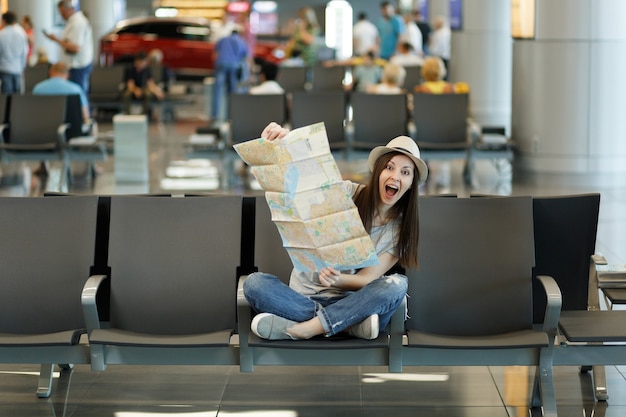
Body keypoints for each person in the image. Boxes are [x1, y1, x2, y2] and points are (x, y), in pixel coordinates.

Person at [243, 121, 428, 341]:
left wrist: (337, 280)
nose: (395, 176)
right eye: (389, 167)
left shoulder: (400, 231)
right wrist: (286, 142)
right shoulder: (348, 193)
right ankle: (348, 326)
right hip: (304, 297)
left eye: (405, 172)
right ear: (378, 171)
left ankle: (304, 327)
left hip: (351, 301)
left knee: (397, 285)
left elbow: (365, 281)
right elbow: (308, 179)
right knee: (254, 284)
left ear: (411, 184)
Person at [44, 1, 94, 93]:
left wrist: (56, 40)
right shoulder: (72, 22)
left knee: (78, 94)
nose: (62, 15)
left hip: (78, 66)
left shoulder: (77, 23)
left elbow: (75, 48)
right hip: (74, 65)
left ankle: (82, 108)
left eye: (63, 12)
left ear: (71, 10)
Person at [211, 26, 249, 122]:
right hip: (234, 66)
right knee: (232, 92)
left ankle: (215, 115)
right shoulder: (241, 41)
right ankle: (231, 116)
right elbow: (244, 57)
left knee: (218, 91)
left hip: (221, 64)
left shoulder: (223, 39)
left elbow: (215, 54)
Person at [122, 51, 165, 116]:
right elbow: (130, 84)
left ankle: (144, 114)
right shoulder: (130, 70)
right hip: (132, 89)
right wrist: (135, 90)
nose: (144, 63)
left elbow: (150, 83)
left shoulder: (147, 70)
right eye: (142, 61)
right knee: (126, 95)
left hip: (143, 89)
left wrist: (157, 91)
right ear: (137, 61)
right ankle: (128, 114)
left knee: (148, 94)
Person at [285, 7, 320, 76]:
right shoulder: (298, 28)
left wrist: (302, 29)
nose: (300, 20)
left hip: (307, 58)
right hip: (296, 56)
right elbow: (293, 39)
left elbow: (308, 41)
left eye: (302, 18)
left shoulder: (313, 28)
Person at [0, 11, 29, 94]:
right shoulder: (21, 33)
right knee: (16, 95)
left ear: (4, 20)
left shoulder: (2, 34)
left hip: (4, 68)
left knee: (6, 95)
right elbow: (24, 52)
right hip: (17, 68)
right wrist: (23, 67)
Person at [429, 15, 451, 80]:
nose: (435, 25)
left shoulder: (438, 34)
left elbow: (435, 47)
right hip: (446, 56)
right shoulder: (447, 32)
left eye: (436, 23)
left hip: (439, 56)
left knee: (439, 75)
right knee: (445, 74)